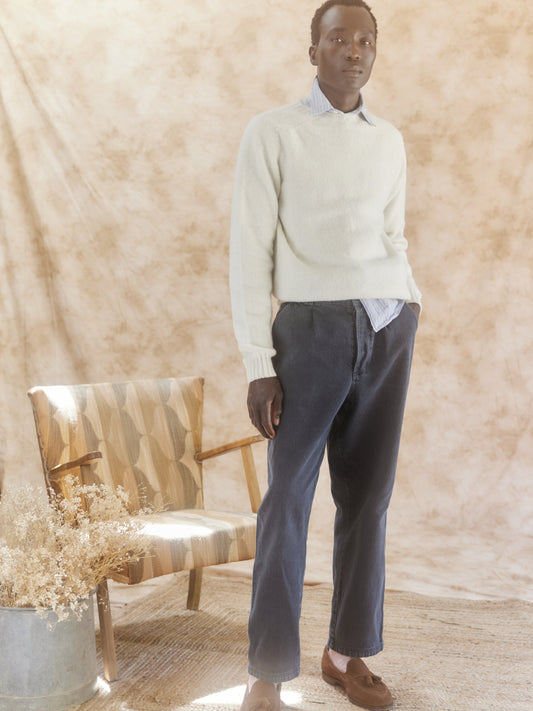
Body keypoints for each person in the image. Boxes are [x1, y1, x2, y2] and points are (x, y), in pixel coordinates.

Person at [230, 1, 421, 709]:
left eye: (365, 39)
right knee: (287, 498)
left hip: (387, 323)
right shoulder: (273, 132)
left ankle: (346, 653)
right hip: (308, 331)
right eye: (338, 38)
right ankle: (268, 670)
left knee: (368, 498)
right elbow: (248, 250)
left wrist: (404, 302)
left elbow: (392, 234)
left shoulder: (388, 141)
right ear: (313, 50)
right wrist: (258, 362)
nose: (353, 50)